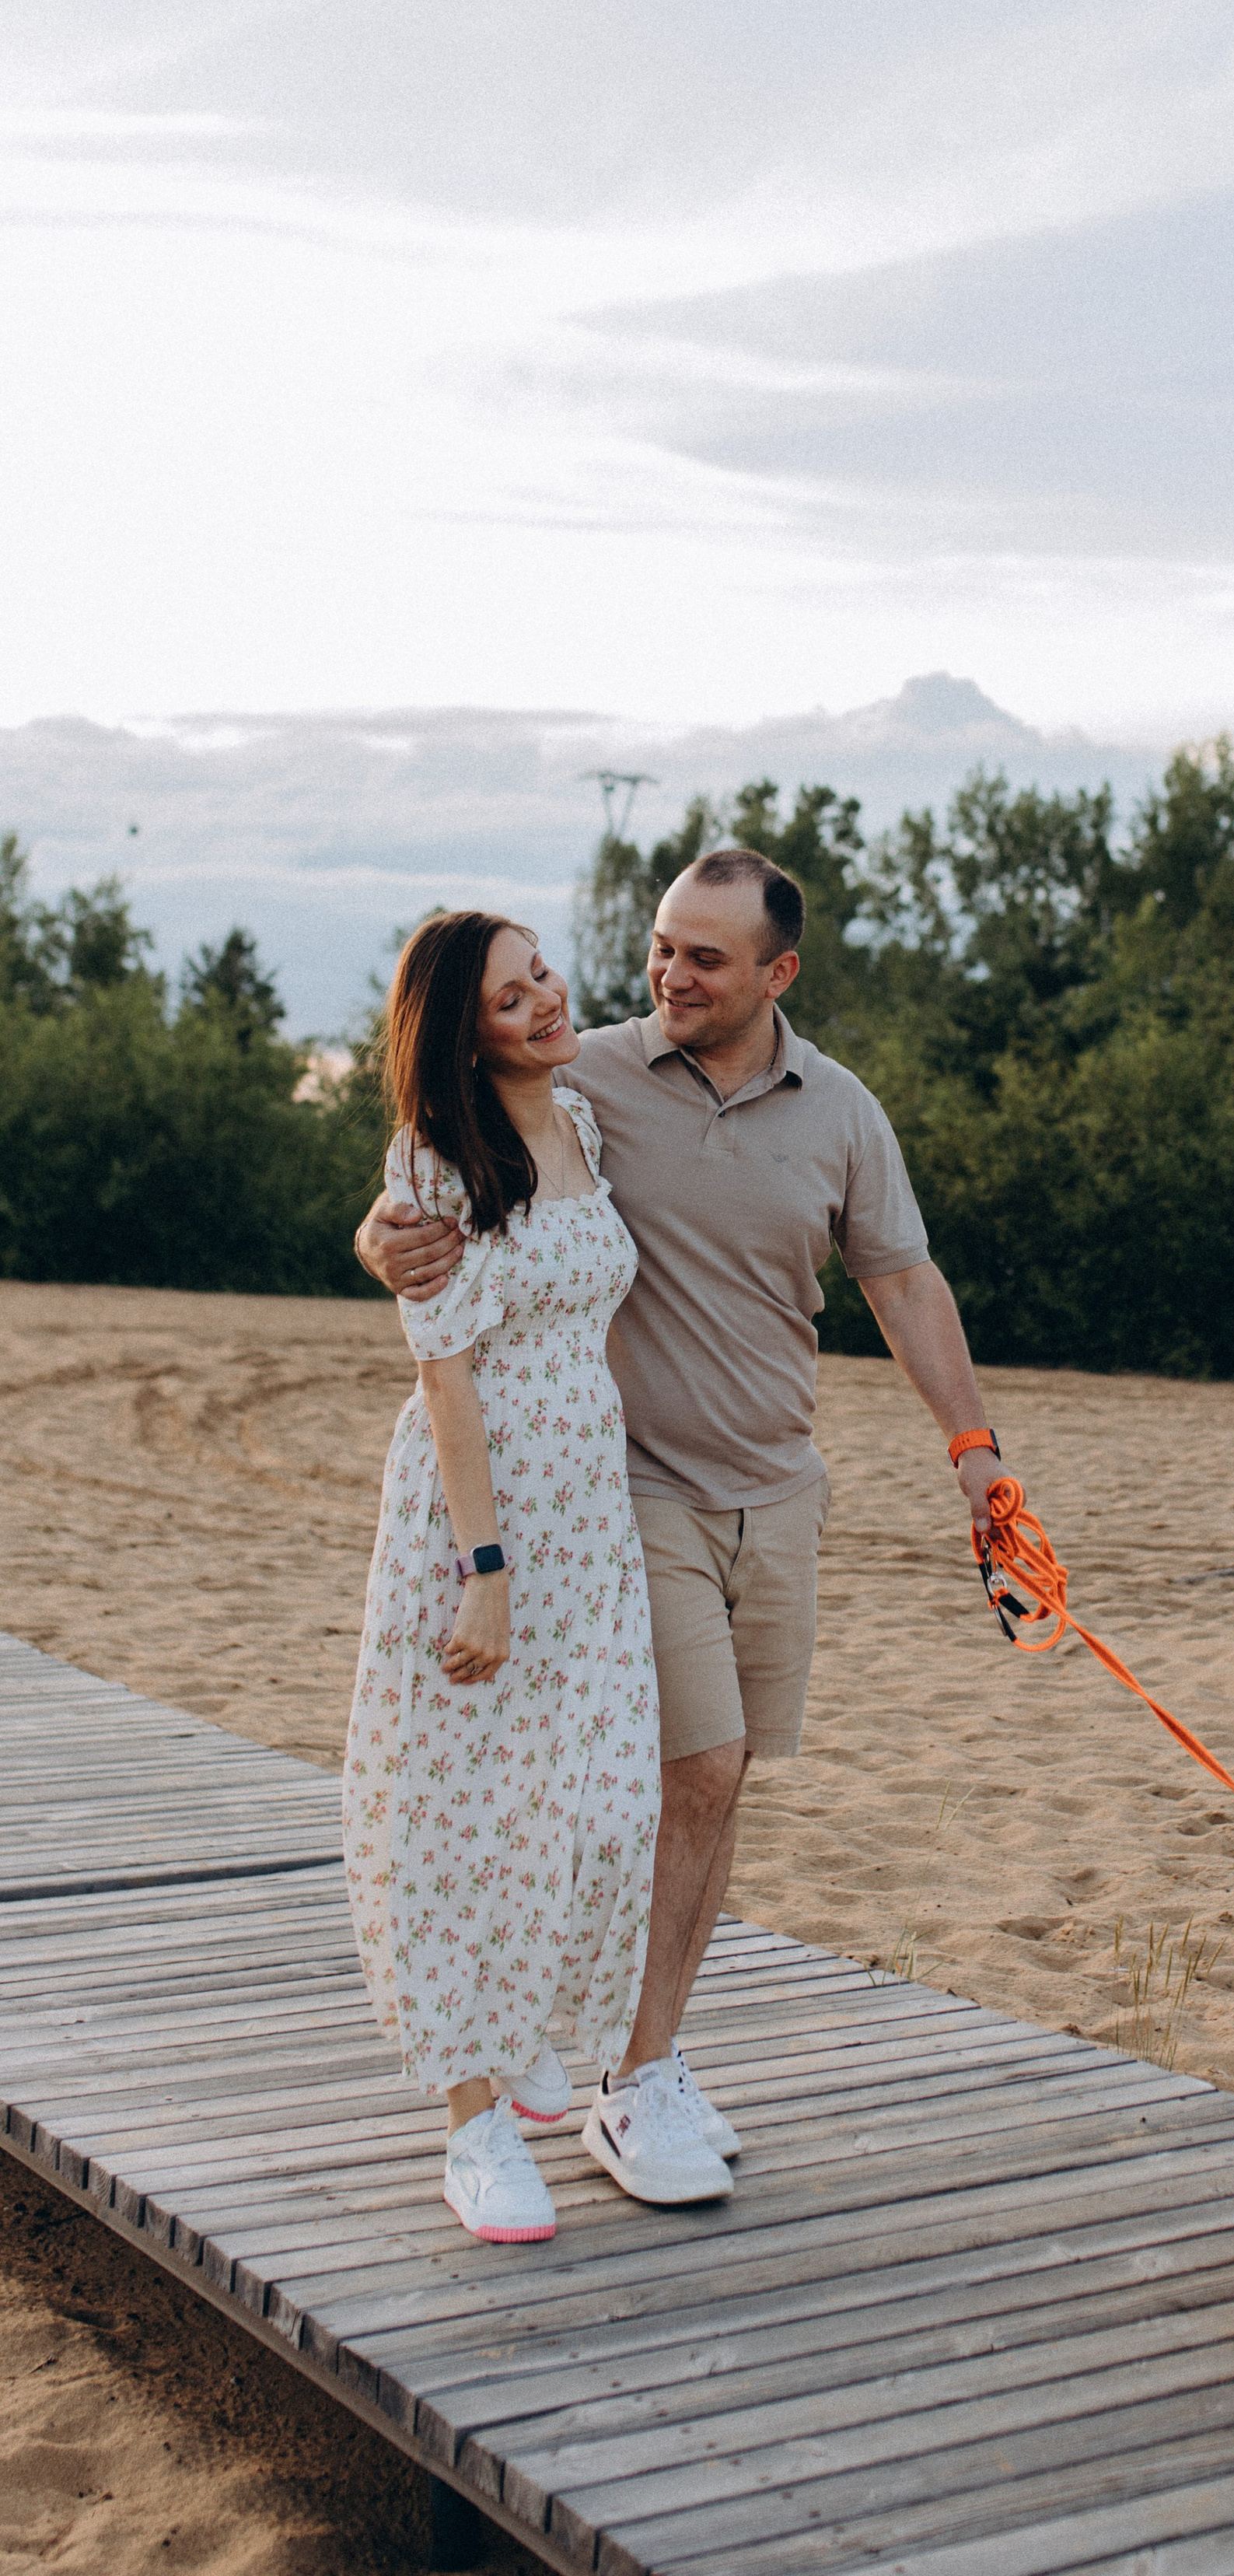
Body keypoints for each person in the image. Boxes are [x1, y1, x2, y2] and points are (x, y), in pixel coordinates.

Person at [356, 845, 1009, 2208]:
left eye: (705, 957)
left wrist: (978, 1462)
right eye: (662, 946)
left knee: (720, 1784)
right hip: (618, 1494)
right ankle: (588, 2081)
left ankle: (642, 2064)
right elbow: (443, 1146)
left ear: (778, 972)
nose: (669, 975)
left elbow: (903, 1279)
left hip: (777, 1490)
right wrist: (383, 1232)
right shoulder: (590, 1071)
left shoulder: (838, 1112)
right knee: (682, 1765)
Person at [344, 910, 670, 2247]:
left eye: (542, 974)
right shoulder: (435, 1159)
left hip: (592, 1513)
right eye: (508, 995)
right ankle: (472, 2122)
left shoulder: (582, 1119)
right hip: (475, 1513)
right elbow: (448, 1378)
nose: (544, 999)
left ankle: (532, 2024)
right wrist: (486, 1570)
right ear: (460, 1035)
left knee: (601, 1796)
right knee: (456, 1812)